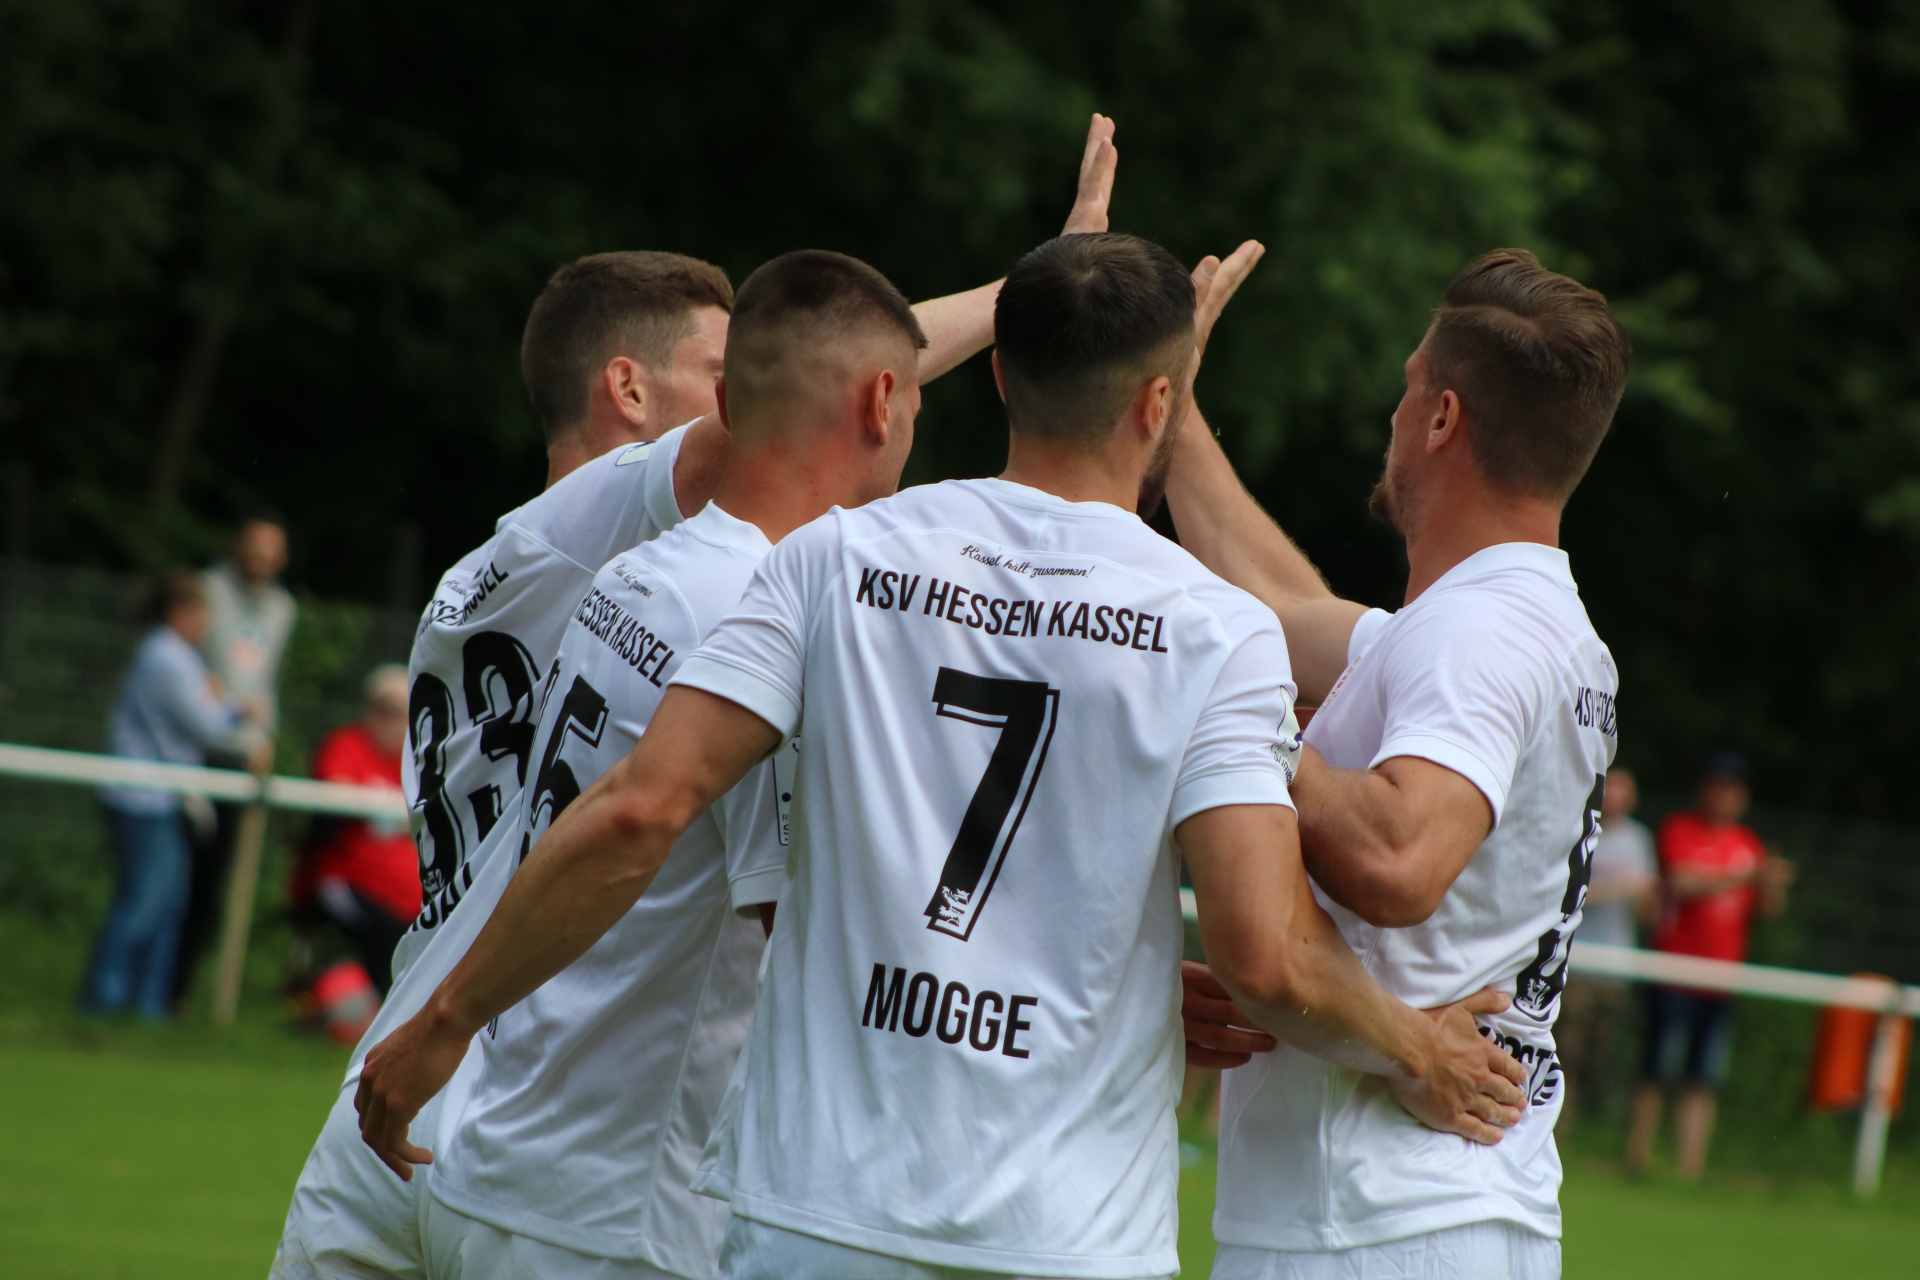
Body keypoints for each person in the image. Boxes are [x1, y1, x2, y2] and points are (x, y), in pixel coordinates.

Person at [355, 231, 1527, 1280]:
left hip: (817, 1210)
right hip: (1065, 1233)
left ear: (1001, 374)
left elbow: (640, 807)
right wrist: (1416, 1045)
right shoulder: (1215, 627)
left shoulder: (833, 557)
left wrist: (446, 1017)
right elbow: (1262, 955)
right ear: (1160, 403)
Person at [273, 116, 1123, 1280]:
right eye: (725, 370)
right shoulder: (623, 540)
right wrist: (1042, 294)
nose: (741, 392)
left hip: (418, 1091)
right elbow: (821, 389)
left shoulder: (546, 577)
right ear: (628, 389)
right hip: (556, 1131)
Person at [423, 250, 934, 1280]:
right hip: (623, 1206)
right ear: (883, 402)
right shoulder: (775, 611)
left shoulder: (637, 573)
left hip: (508, 1154)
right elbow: (812, 931)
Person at [1166, 247, 1629, 1277]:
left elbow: (1399, 858)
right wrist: (1174, 405)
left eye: (1408, 385)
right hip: (1446, 1203)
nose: (1393, 411)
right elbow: (1275, 606)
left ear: (1441, 418)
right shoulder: (1509, 619)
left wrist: (1237, 721)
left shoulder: (1481, 636)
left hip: (1374, 1214)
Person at [83, 570, 253, 1019]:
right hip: (142, 797)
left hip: (162, 797)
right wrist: (234, 707)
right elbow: (207, 725)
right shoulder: (167, 658)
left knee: (168, 906)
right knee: (143, 904)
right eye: (202, 613)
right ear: (181, 613)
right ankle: (103, 1000)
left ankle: (146, 1007)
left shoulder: (173, 656)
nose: (206, 623)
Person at [1625, 750, 1791, 1181]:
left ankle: (1690, 1168)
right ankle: (1637, 1158)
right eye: (1716, 786)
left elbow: (1767, 910)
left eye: (1731, 789)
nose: (1722, 796)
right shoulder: (1681, 829)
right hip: (1674, 968)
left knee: (1703, 1075)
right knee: (1655, 1067)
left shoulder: (1747, 844)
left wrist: (1773, 884)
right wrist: (1748, 876)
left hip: (1722, 976)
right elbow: (1682, 883)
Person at [174, 512, 297, 1009]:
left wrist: (264, 736)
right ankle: (151, 990)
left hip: (241, 755)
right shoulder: (207, 591)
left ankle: (178, 995)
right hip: (193, 748)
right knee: (175, 878)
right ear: (237, 546)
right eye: (253, 545)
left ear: (280, 558)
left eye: (270, 548)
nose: (259, 557)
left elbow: (263, 681)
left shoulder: (283, 609)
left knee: (213, 884)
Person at [292, 665, 420, 998]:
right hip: (347, 879)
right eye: (384, 708)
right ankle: (374, 1008)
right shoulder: (347, 744)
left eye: (400, 712)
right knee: (385, 931)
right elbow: (337, 791)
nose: (391, 720)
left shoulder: (415, 761)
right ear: (369, 709)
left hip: (409, 892)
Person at [1555, 765, 1656, 1131]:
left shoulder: (1638, 839)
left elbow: (1647, 902)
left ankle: (1588, 1127)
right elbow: (1568, 892)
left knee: (1598, 1055)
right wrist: (1618, 889)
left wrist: (1646, 898)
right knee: (1565, 1048)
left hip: (1616, 965)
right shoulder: (1577, 827)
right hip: (1575, 960)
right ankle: (1557, 1124)